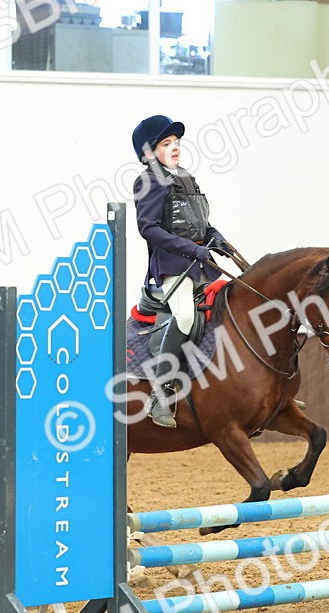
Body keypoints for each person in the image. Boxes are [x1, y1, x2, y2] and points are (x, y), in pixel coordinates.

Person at [131, 114, 228, 428]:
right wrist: (191, 248)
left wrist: (216, 238)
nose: (175, 148)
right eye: (166, 143)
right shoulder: (148, 181)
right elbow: (148, 229)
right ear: (148, 153)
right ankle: (159, 394)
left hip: (198, 265)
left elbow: (200, 222)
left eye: (177, 142)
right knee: (185, 316)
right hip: (172, 268)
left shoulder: (185, 177)